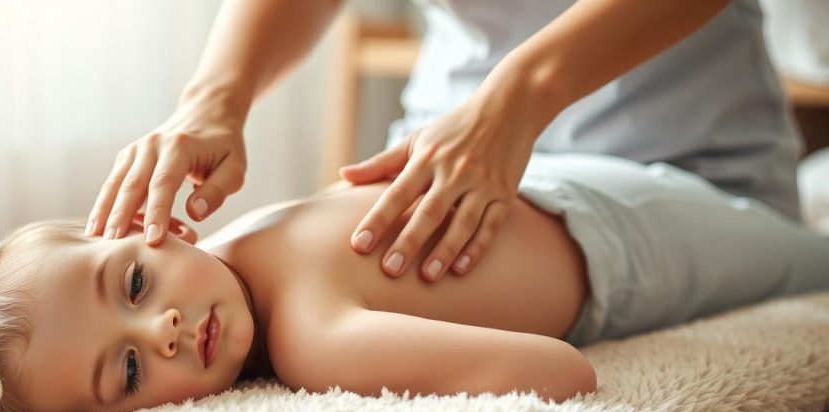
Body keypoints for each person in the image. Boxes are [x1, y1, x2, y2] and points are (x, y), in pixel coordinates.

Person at [0, 153, 829, 412]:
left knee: (803, 254)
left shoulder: (303, 327)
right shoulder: (303, 321)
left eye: (135, 282)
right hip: (591, 207)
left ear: (154, 226)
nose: (170, 325)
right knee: (796, 246)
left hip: (618, 227)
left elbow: (562, 375)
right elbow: (559, 370)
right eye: (131, 366)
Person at [83, 0, 801, 285]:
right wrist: (213, 100)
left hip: (682, 160)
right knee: (313, 261)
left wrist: (513, 101)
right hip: (439, 137)